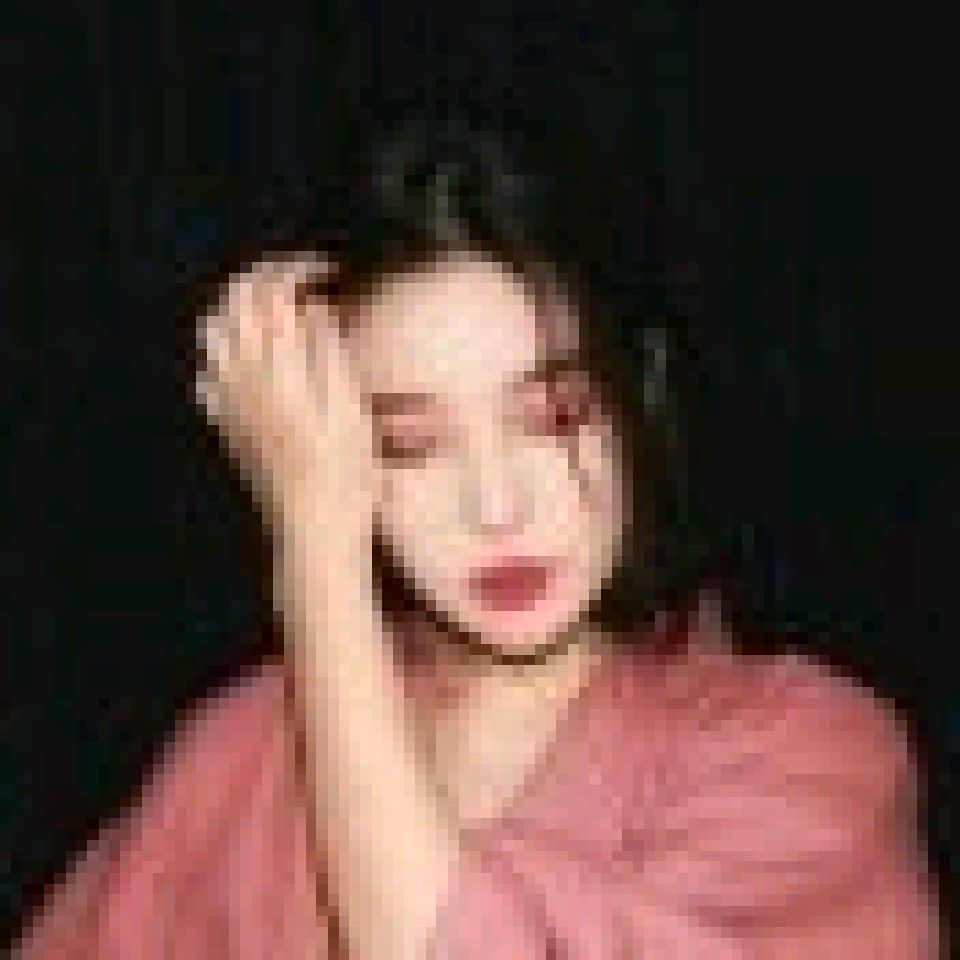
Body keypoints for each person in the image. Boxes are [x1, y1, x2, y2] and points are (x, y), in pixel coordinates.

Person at [12, 122, 940, 958]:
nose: (495, 507)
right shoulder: (246, 751)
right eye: (407, 445)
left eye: (555, 417)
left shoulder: (812, 750)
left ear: (641, 397)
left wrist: (316, 563)